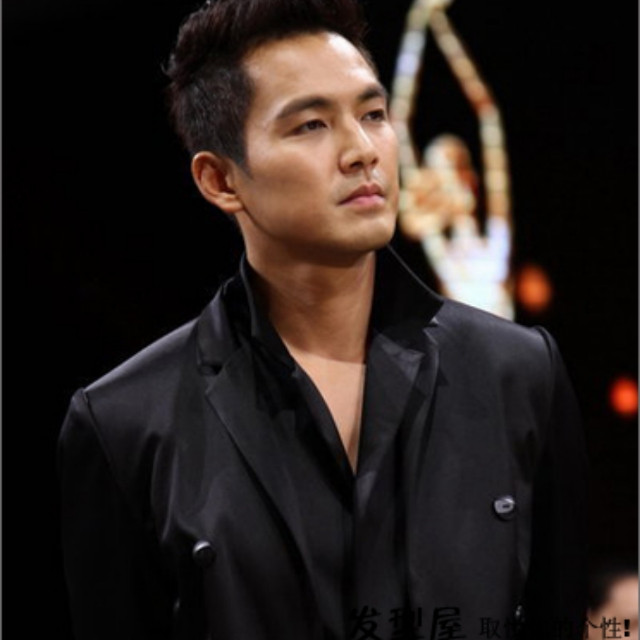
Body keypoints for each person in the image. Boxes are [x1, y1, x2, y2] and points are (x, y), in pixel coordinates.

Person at [58, 0, 587, 638]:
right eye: (311, 125)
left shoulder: (519, 374)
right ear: (220, 179)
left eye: (373, 115)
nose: (362, 151)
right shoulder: (125, 426)